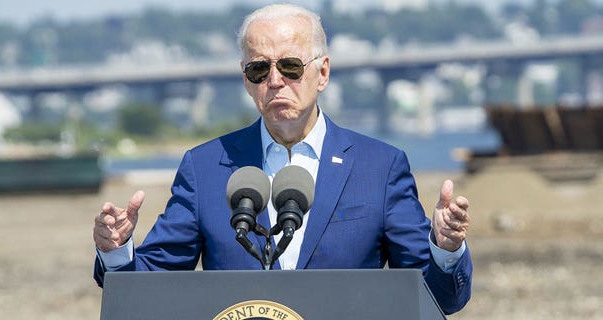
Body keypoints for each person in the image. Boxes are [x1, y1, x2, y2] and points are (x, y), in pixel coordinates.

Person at [93, 4, 472, 315]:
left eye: (290, 67)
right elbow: (144, 290)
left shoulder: (381, 167)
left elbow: (438, 299)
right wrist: (116, 251)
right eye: (259, 69)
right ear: (246, 81)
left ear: (322, 72)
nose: (275, 81)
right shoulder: (205, 167)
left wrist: (445, 249)